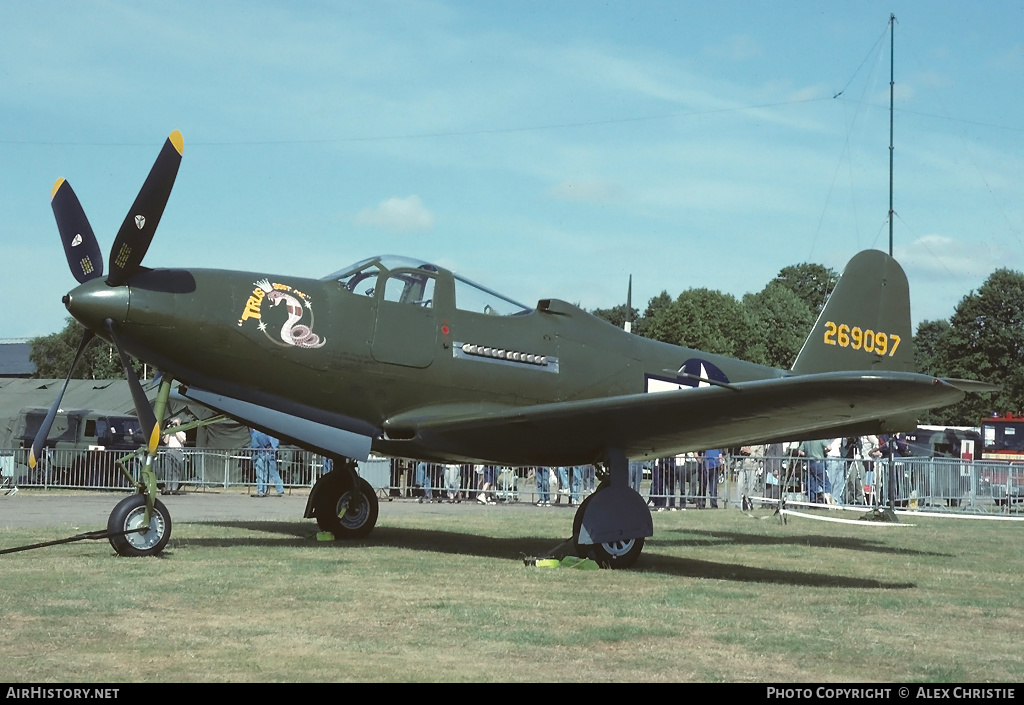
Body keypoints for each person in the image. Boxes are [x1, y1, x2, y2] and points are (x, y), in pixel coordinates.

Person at [249, 428, 283, 497]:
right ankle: (279, 489)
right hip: (270, 454)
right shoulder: (268, 433)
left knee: (261, 474)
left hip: (260, 454)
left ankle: (261, 490)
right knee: (272, 473)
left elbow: (254, 445)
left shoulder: (256, 434)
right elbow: (275, 444)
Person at [798, 438, 833, 504]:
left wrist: (806, 454)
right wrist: (824, 452)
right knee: (825, 483)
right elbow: (829, 447)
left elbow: (800, 451)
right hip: (818, 462)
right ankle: (829, 501)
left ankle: (812, 501)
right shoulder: (820, 439)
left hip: (809, 463)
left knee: (812, 483)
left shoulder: (806, 440)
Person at [160, 417, 186, 495]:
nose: (174, 425)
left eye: (176, 423)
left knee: (176, 471)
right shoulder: (169, 433)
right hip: (169, 451)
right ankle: (168, 488)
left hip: (178, 451)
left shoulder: (182, 432)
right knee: (168, 471)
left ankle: (174, 489)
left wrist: (176, 430)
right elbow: (165, 441)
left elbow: (182, 440)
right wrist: (168, 431)